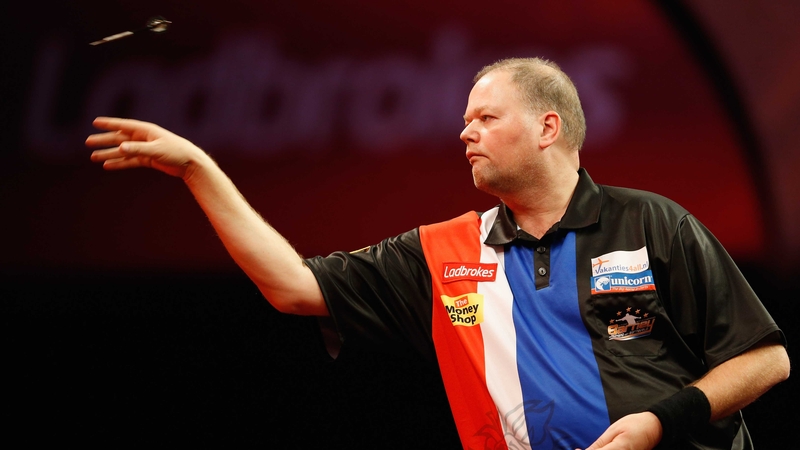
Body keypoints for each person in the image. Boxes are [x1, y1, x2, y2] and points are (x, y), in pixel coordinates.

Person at [87, 57, 789, 450]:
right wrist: (197, 170)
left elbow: (767, 357)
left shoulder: (654, 224)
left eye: (485, 117)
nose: (465, 134)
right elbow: (292, 286)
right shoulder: (448, 252)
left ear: (548, 127)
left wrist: (661, 421)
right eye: (463, 121)